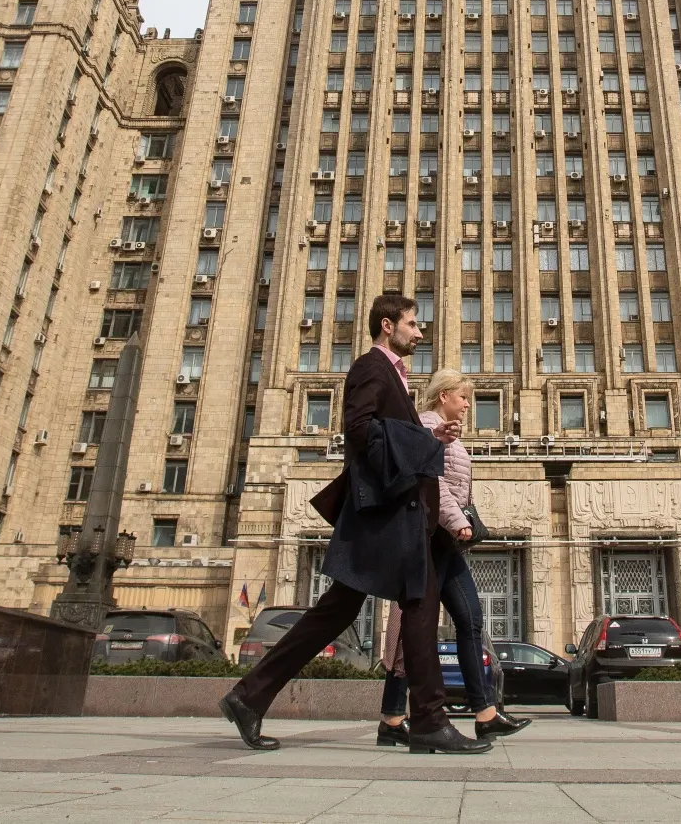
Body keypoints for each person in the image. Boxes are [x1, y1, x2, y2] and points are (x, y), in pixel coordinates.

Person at [219, 294, 491, 755]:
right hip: (385, 517)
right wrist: (422, 439)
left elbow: (391, 434)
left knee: (351, 611)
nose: (419, 333)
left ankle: (249, 697)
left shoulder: (394, 376)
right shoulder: (371, 366)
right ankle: (426, 721)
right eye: (412, 324)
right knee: (408, 607)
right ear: (388, 326)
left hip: (396, 516)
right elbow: (360, 430)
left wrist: (428, 437)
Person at [375, 369, 530, 745]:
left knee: (470, 620)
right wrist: (458, 521)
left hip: (445, 541)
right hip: (430, 538)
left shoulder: (446, 431)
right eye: (462, 397)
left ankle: (484, 712)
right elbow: (433, 483)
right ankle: (394, 720)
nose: (466, 405)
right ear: (443, 396)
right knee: (411, 629)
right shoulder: (428, 427)